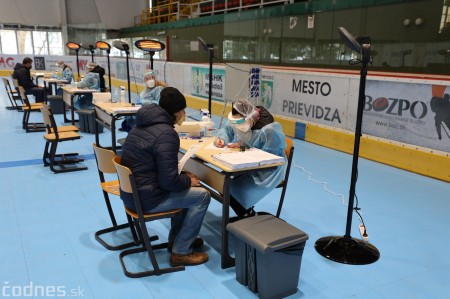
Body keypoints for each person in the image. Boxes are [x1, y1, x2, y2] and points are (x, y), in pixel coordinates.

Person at [121, 87, 211, 267]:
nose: (184, 114)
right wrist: (187, 180)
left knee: (186, 188)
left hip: (132, 195)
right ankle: (181, 251)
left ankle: (177, 240)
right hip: (147, 199)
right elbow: (168, 182)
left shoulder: (140, 125)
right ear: (176, 112)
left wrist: (184, 179)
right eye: (183, 111)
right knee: (202, 196)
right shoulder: (166, 133)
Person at [214, 98, 287, 219]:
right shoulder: (240, 120)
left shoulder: (269, 130)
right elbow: (227, 129)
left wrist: (245, 147)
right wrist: (222, 139)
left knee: (228, 186)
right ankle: (245, 213)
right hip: (246, 163)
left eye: (240, 123)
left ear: (249, 118)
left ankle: (247, 214)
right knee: (219, 180)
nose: (238, 126)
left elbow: (269, 159)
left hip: (267, 171)